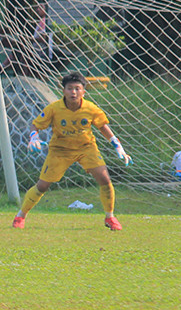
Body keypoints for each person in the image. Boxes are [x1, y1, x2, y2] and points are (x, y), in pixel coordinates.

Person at [12, 71, 131, 231]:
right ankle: (21, 215)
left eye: (77, 88)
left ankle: (110, 217)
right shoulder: (54, 108)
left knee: (105, 179)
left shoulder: (90, 108)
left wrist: (118, 146)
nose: (73, 92)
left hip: (86, 148)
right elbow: (36, 125)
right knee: (42, 186)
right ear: (63, 91)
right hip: (59, 150)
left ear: (83, 91)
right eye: (69, 88)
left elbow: (103, 126)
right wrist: (33, 138)